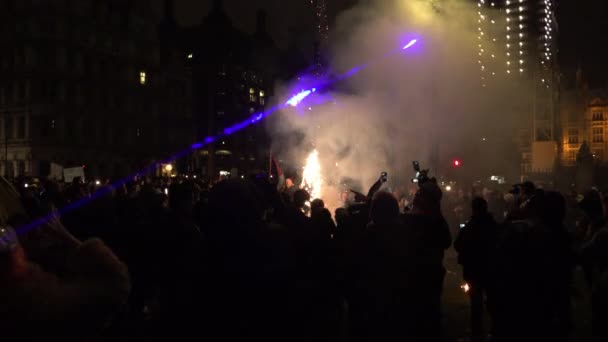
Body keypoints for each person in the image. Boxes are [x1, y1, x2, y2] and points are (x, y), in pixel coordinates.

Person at [0, 217, 131, 341]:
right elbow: (118, 282)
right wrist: (65, 235)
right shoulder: (45, 304)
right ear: (15, 258)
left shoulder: (14, 303)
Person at [454, 197, 498, 341]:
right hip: (491, 267)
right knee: (493, 299)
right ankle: (496, 329)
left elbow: (458, 244)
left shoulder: (471, 226)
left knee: (476, 302)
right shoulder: (493, 225)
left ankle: (477, 332)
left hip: (473, 269)